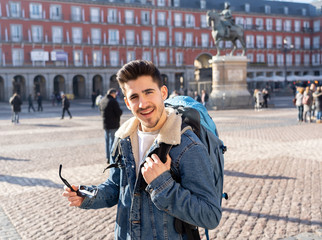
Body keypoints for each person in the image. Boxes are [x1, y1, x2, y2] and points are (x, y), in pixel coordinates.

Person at [62, 60, 222, 239]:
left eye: (148, 92)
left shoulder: (187, 145)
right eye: (134, 97)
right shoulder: (124, 138)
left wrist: (162, 184)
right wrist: (89, 196)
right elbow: (116, 187)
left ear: (163, 93)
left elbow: (210, 216)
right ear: (127, 103)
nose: (142, 103)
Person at [99, 88, 123, 163]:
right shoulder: (113, 101)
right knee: (112, 141)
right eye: (115, 94)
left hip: (105, 123)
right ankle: (111, 158)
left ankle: (107, 157)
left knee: (107, 141)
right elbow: (118, 112)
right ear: (112, 93)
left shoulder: (102, 100)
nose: (115, 95)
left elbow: (100, 110)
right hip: (113, 124)